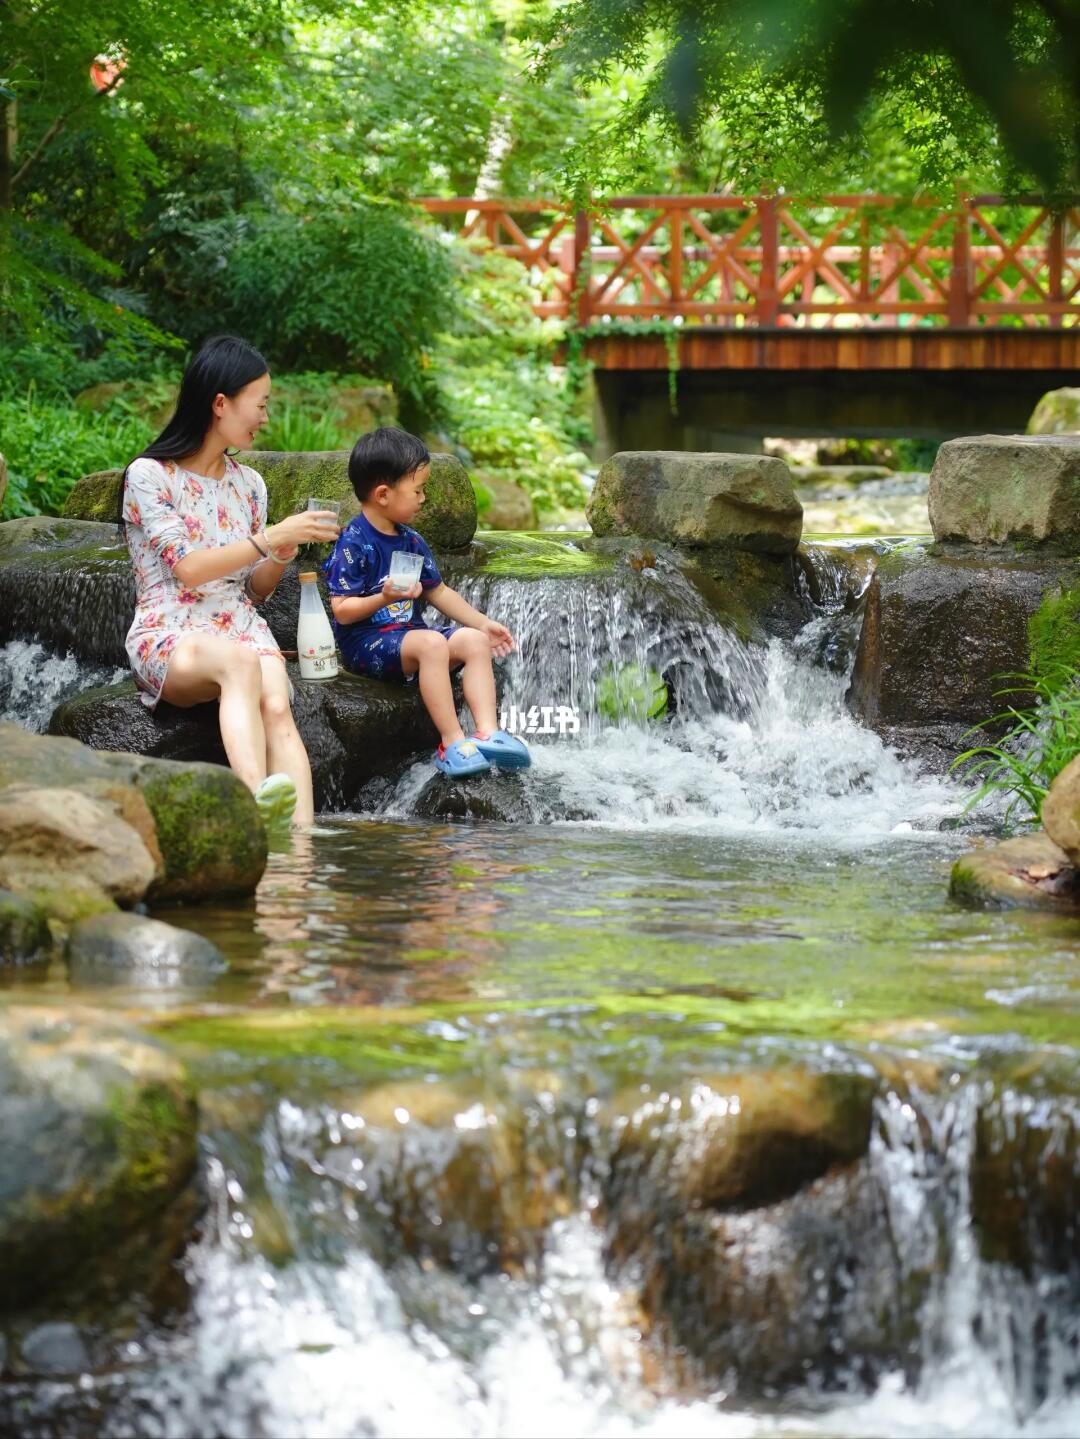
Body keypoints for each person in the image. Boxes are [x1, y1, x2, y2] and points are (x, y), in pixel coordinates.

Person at [119, 335, 340, 833]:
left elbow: (255, 590)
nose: (265, 416)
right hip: (173, 632)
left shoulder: (251, 485)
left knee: (278, 704)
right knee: (242, 663)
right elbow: (191, 569)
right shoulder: (150, 476)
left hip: (239, 623)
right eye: (260, 404)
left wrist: (281, 553)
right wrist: (269, 537)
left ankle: (301, 847)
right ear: (221, 404)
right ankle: (254, 805)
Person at [324, 427, 530, 777]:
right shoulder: (353, 543)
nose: (423, 498)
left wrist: (482, 623)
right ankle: (452, 743)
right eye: (418, 490)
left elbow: (439, 592)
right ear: (383, 494)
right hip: (366, 644)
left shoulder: (412, 541)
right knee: (433, 643)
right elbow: (342, 612)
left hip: (410, 639)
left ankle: (488, 733)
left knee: (473, 641)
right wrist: (383, 597)